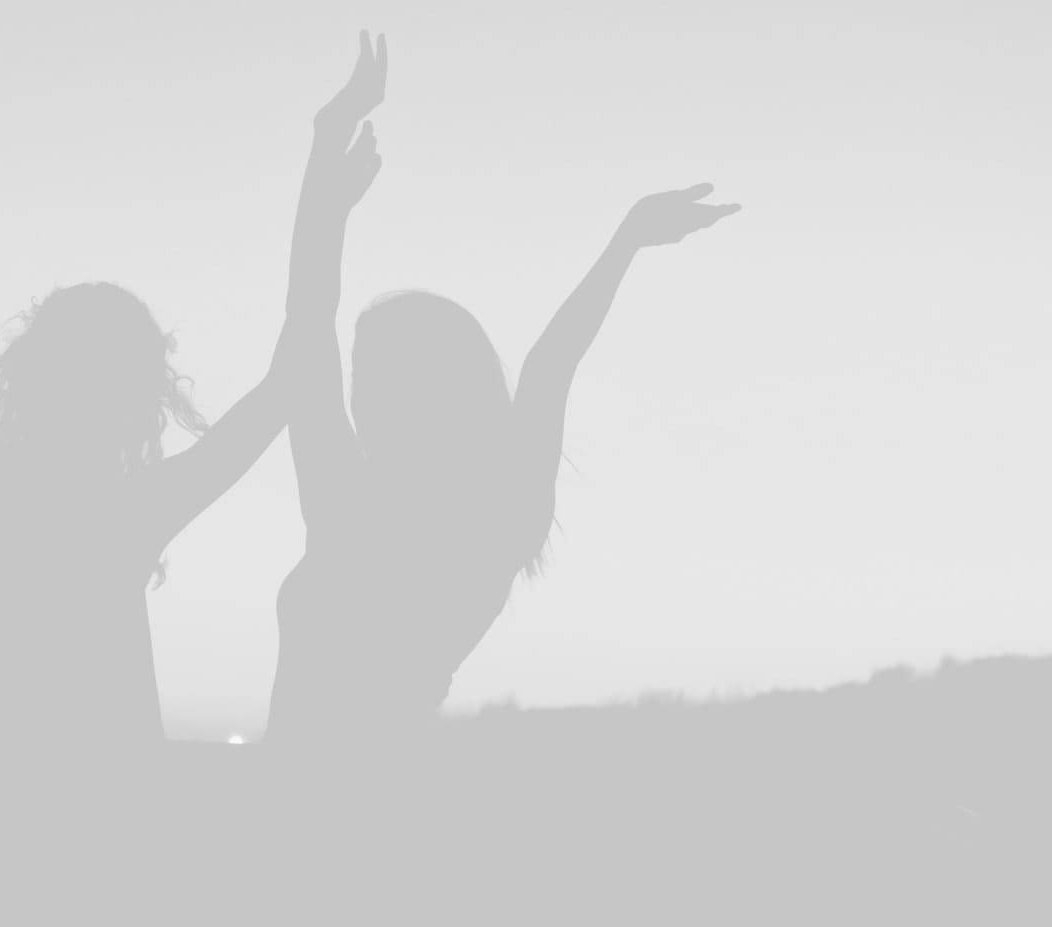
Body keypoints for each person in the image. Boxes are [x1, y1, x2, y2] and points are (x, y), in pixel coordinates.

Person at [0, 30, 391, 751]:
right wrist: (326, 187)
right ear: (141, 402)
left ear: (29, 374)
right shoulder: (132, 513)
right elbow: (296, 363)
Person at [271, 149, 741, 746]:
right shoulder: (485, 511)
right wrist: (325, 197)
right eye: (357, 376)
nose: (357, 398)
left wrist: (325, 201)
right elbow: (310, 327)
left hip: (332, 790)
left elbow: (549, 364)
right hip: (340, 786)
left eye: (377, 376)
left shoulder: (365, 504)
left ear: (433, 388)